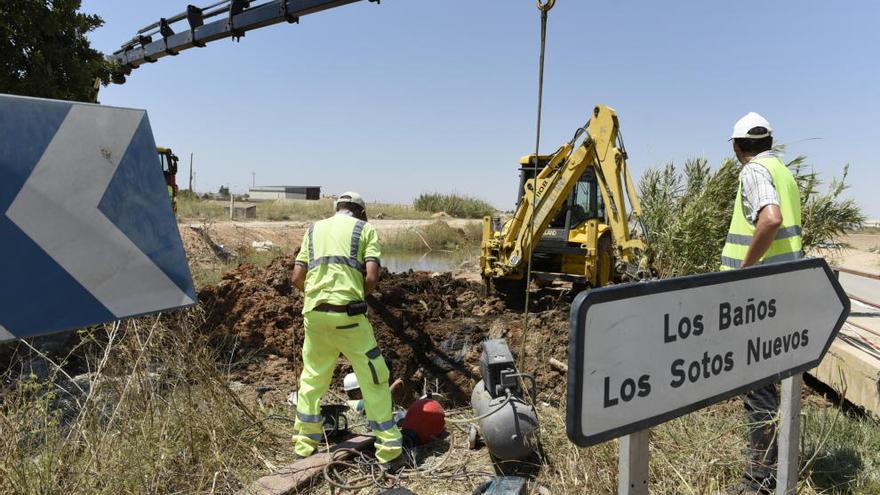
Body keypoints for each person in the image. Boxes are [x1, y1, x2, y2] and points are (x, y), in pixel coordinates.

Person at [290, 192, 405, 472]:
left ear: (337, 209)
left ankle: (304, 446)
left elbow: (296, 278)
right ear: (361, 212)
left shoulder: (313, 229)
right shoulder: (365, 229)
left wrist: (319, 298)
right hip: (349, 317)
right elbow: (372, 277)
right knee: (375, 377)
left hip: (314, 316)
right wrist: (355, 296)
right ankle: (389, 451)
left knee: (313, 377)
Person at [722, 112, 803, 494]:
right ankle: (776, 468)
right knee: (774, 387)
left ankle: (759, 481)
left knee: (757, 390)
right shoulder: (785, 173)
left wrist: (743, 269)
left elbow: (770, 220)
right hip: (783, 294)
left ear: (738, 148)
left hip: (756, 299)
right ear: (770, 143)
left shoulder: (752, 172)